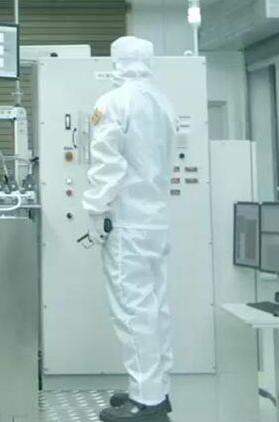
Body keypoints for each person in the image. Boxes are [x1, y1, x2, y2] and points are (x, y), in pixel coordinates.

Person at [82, 36, 177, 422]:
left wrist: (95, 210)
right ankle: (157, 389)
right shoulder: (163, 102)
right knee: (156, 307)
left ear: (116, 61)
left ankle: (145, 401)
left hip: (127, 223)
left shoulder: (112, 102)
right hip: (155, 219)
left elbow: (107, 166)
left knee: (133, 311)